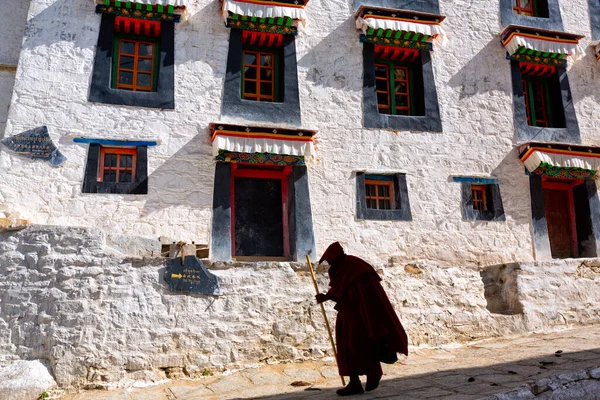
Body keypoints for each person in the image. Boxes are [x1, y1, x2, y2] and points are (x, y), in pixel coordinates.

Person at [315, 242, 408, 396]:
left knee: (359, 345)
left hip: (362, 315)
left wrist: (330, 296)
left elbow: (360, 294)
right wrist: (327, 297)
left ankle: (374, 372)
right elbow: (343, 291)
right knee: (346, 348)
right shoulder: (342, 269)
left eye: (331, 260)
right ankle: (354, 383)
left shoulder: (355, 268)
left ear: (339, 256)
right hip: (347, 314)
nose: (329, 264)